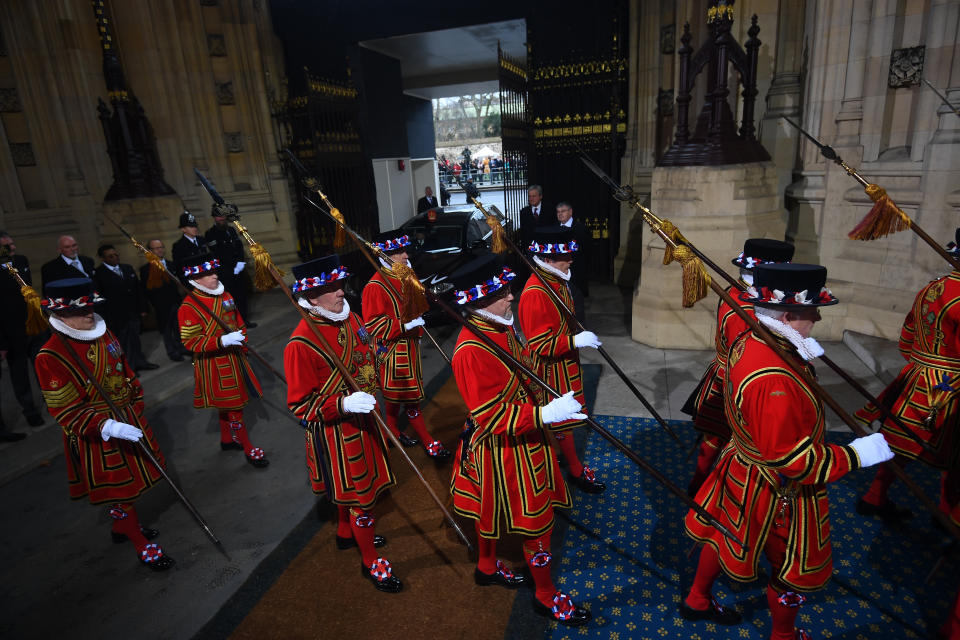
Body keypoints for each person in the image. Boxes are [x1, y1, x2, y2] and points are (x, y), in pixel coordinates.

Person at [682, 263, 893, 640]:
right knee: (790, 567)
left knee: (723, 533)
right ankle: (783, 634)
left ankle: (697, 598)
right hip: (776, 486)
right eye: (812, 311)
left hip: (742, 467)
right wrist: (857, 455)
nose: (816, 318)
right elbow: (791, 459)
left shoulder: (755, 338)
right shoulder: (774, 376)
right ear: (789, 315)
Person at [449, 253, 591, 627]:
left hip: (523, 435)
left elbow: (524, 371)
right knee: (537, 523)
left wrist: (552, 400)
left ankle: (485, 565)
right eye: (501, 292)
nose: (511, 297)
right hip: (507, 447)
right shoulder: (470, 349)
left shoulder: (499, 327)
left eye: (508, 289)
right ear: (478, 301)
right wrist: (543, 414)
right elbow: (489, 413)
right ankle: (545, 595)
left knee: (490, 511)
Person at [35, 277, 174, 571]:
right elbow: (64, 409)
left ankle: (123, 528)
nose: (89, 314)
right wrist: (108, 426)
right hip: (97, 430)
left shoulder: (103, 331)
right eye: (80, 310)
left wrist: (135, 399)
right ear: (61, 315)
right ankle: (139, 541)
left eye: (91, 306)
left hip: (126, 415)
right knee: (117, 489)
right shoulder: (49, 355)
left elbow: (123, 368)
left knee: (133, 479)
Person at [284, 254, 401, 593]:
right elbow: (300, 404)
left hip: (366, 420)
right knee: (361, 499)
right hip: (338, 434)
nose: (341, 292)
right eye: (331, 288)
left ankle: (345, 532)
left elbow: (366, 349)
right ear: (313, 296)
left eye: (340, 285)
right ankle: (370, 560)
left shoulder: (349, 318)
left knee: (354, 496)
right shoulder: (300, 343)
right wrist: (342, 402)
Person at [854, 228, 960, 525]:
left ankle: (874, 495)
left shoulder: (932, 287)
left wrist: (922, 364)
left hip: (916, 376)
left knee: (900, 443)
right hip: (951, 387)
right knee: (954, 455)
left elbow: (907, 336)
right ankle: (947, 514)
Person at [682, 238, 794, 497]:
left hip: (730, 374)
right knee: (727, 438)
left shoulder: (741, 294)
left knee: (716, 434)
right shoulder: (746, 307)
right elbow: (747, 355)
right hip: (736, 380)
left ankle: (700, 483)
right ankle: (702, 486)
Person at [518, 226, 605, 494]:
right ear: (547, 260)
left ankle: (561, 460)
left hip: (562, 363)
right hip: (548, 367)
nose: (570, 260)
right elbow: (538, 343)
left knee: (561, 421)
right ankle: (575, 469)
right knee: (560, 420)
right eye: (564, 256)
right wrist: (574, 341)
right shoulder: (536, 291)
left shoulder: (557, 280)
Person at [361, 229, 451, 461]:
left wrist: (417, 324)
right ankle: (428, 441)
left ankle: (391, 432)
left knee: (395, 400)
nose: (404, 255)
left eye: (403, 250)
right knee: (409, 399)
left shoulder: (406, 274)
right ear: (386, 255)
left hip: (409, 347)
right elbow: (374, 326)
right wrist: (406, 325)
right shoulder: (375, 285)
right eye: (398, 252)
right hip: (392, 351)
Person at [177, 252, 268, 468]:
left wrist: (242, 340)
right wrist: (222, 341)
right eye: (208, 274)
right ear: (196, 279)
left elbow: (238, 321)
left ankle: (227, 440)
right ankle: (247, 448)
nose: (214, 276)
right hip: (215, 364)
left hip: (235, 356)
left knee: (227, 405)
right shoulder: (188, 307)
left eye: (214, 271)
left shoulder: (225, 295)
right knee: (234, 406)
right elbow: (190, 342)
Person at [0, 232, 45, 434]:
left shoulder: (21, 261)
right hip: (12, 332)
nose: (13, 248)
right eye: (7, 246)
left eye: (12, 244)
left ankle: (53, 400)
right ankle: (30, 410)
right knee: (20, 375)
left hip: (34, 326)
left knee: (42, 366)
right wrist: (2, 342)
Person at [93, 244, 157, 372]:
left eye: (116, 254)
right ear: (103, 258)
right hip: (116, 316)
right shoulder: (99, 274)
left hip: (133, 312)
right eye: (110, 256)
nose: (115, 258)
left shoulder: (127, 268)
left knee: (135, 339)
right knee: (122, 343)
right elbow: (99, 298)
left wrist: (143, 308)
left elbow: (138, 289)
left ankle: (140, 361)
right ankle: (128, 368)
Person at [204, 205, 254, 327]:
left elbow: (239, 247)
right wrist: (231, 267)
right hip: (224, 272)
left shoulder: (231, 230)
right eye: (218, 217)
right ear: (214, 218)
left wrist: (241, 262)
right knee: (229, 299)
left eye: (222, 216)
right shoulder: (211, 234)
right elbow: (217, 253)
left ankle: (244, 320)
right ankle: (233, 323)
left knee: (241, 295)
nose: (220, 219)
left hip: (238, 270)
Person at [140, 240, 187, 362]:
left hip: (175, 301)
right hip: (161, 305)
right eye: (156, 248)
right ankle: (172, 352)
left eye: (161, 247)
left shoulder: (171, 264)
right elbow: (146, 290)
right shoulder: (146, 269)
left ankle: (182, 348)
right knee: (166, 331)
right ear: (150, 251)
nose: (159, 250)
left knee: (179, 327)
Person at [554, 202, 591, 320]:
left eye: (563, 211)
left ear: (570, 212)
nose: (560, 214)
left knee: (576, 303)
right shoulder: (554, 228)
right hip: (558, 272)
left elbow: (587, 250)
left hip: (576, 272)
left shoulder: (580, 228)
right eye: (558, 212)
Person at [171, 211, 208, 285]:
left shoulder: (201, 240)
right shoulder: (178, 246)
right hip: (193, 281)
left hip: (208, 277)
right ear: (183, 229)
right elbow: (180, 269)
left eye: (195, 226)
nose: (194, 228)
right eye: (191, 226)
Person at [519, 186, 556, 252]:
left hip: (548, 249)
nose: (531, 198)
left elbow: (554, 229)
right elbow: (523, 233)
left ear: (540, 196)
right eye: (530, 196)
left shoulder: (550, 210)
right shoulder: (524, 212)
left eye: (534, 196)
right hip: (531, 250)